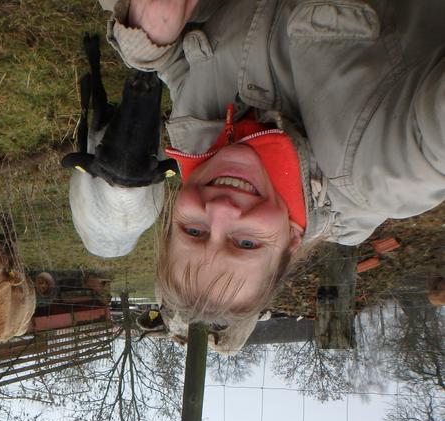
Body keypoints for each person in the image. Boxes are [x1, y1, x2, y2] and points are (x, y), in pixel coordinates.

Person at [105, 0, 445, 347]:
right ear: (291, 240)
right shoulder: (381, 171)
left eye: (193, 230)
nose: (220, 210)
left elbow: (179, 68)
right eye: (246, 243)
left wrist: (148, 43)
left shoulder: (196, 141)